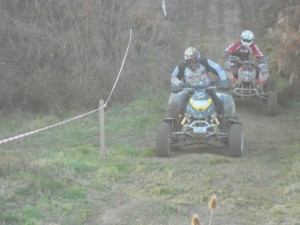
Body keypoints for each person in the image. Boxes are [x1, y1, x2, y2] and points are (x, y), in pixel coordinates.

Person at [169, 47, 230, 121]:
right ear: (185, 60)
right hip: (189, 91)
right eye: (188, 61)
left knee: (219, 105)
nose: (191, 63)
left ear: (198, 59)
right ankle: (181, 125)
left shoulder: (205, 62)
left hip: (207, 89)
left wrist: (223, 80)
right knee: (180, 108)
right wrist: (180, 84)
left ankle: (221, 123)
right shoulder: (181, 67)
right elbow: (173, 77)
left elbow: (218, 69)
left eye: (193, 60)